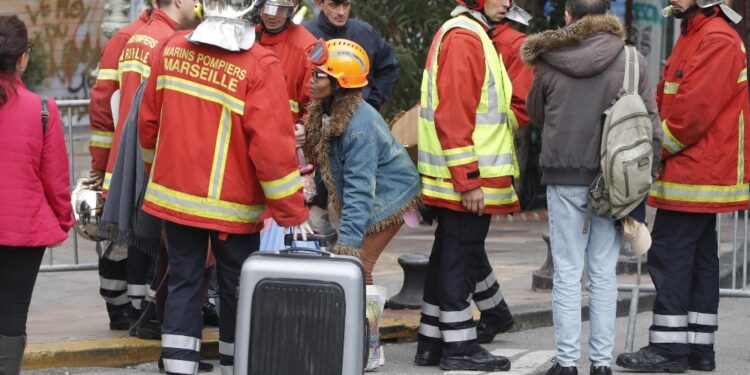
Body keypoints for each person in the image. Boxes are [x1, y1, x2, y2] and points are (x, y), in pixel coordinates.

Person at [137, 0, 311, 372]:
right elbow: (272, 150)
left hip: (175, 198)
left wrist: (158, 171)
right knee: (237, 289)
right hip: (231, 208)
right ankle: (237, 364)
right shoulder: (260, 65)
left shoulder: (172, 49)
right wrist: (291, 212)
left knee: (185, 280)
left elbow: (148, 124)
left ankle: (178, 366)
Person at [522, 0, 662, 373]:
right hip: (615, 182)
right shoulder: (632, 59)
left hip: (564, 175)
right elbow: (650, 123)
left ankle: (567, 364)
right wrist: (646, 179)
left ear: (569, 16)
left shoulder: (550, 57)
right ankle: (601, 364)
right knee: (603, 272)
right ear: (607, 15)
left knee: (567, 273)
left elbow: (534, 112)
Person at [616, 1, 748, 373]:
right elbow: (669, 98)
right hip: (695, 169)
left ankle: (669, 349)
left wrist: (656, 150)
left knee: (671, 255)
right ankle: (697, 348)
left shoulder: (716, 39)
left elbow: (691, 114)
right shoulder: (696, 35)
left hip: (696, 170)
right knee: (699, 260)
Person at [414, 0, 521, 371]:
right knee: (459, 258)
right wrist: (469, 180)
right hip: (468, 180)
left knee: (447, 254)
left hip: (457, 177)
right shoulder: (466, 37)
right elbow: (454, 114)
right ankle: (460, 348)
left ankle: (431, 342)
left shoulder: (466, 33)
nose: (507, 2)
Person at [98, 0, 198, 341]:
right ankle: (148, 315)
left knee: (136, 240)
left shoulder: (139, 37)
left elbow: (108, 103)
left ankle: (137, 310)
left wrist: (102, 164)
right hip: (151, 158)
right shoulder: (170, 42)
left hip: (129, 155)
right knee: (152, 241)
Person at [303, 38, 421, 285]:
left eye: (319, 76)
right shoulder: (328, 110)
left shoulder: (358, 127)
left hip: (390, 196)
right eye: (313, 74)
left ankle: (365, 325)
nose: (312, 81)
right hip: (371, 192)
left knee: (357, 269)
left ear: (340, 83)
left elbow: (360, 189)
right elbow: (328, 165)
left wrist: (348, 243)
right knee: (350, 270)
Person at [0, 15, 74, 374]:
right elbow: (56, 179)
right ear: (22, 58)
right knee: (13, 313)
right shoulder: (43, 111)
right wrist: (63, 222)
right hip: (23, 231)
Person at [87, 4, 155, 334]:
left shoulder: (129, 38)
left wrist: (102, 163)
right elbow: (103, 107)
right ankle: (121, 308)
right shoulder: (127, 37)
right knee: (122, 240)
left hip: (126, 163)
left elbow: (103, 106)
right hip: (132, 164)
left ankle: (127, 308)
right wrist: (100, 165)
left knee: (128, 239)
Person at [303, 0, 399, 111]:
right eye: (334, 5)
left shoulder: (365, 33)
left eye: (346, 4)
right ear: (320, 4)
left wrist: (372, 102)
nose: (341, 12)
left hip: (359, 113)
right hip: (313, 118)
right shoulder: (304, 35)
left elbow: (388, 68)